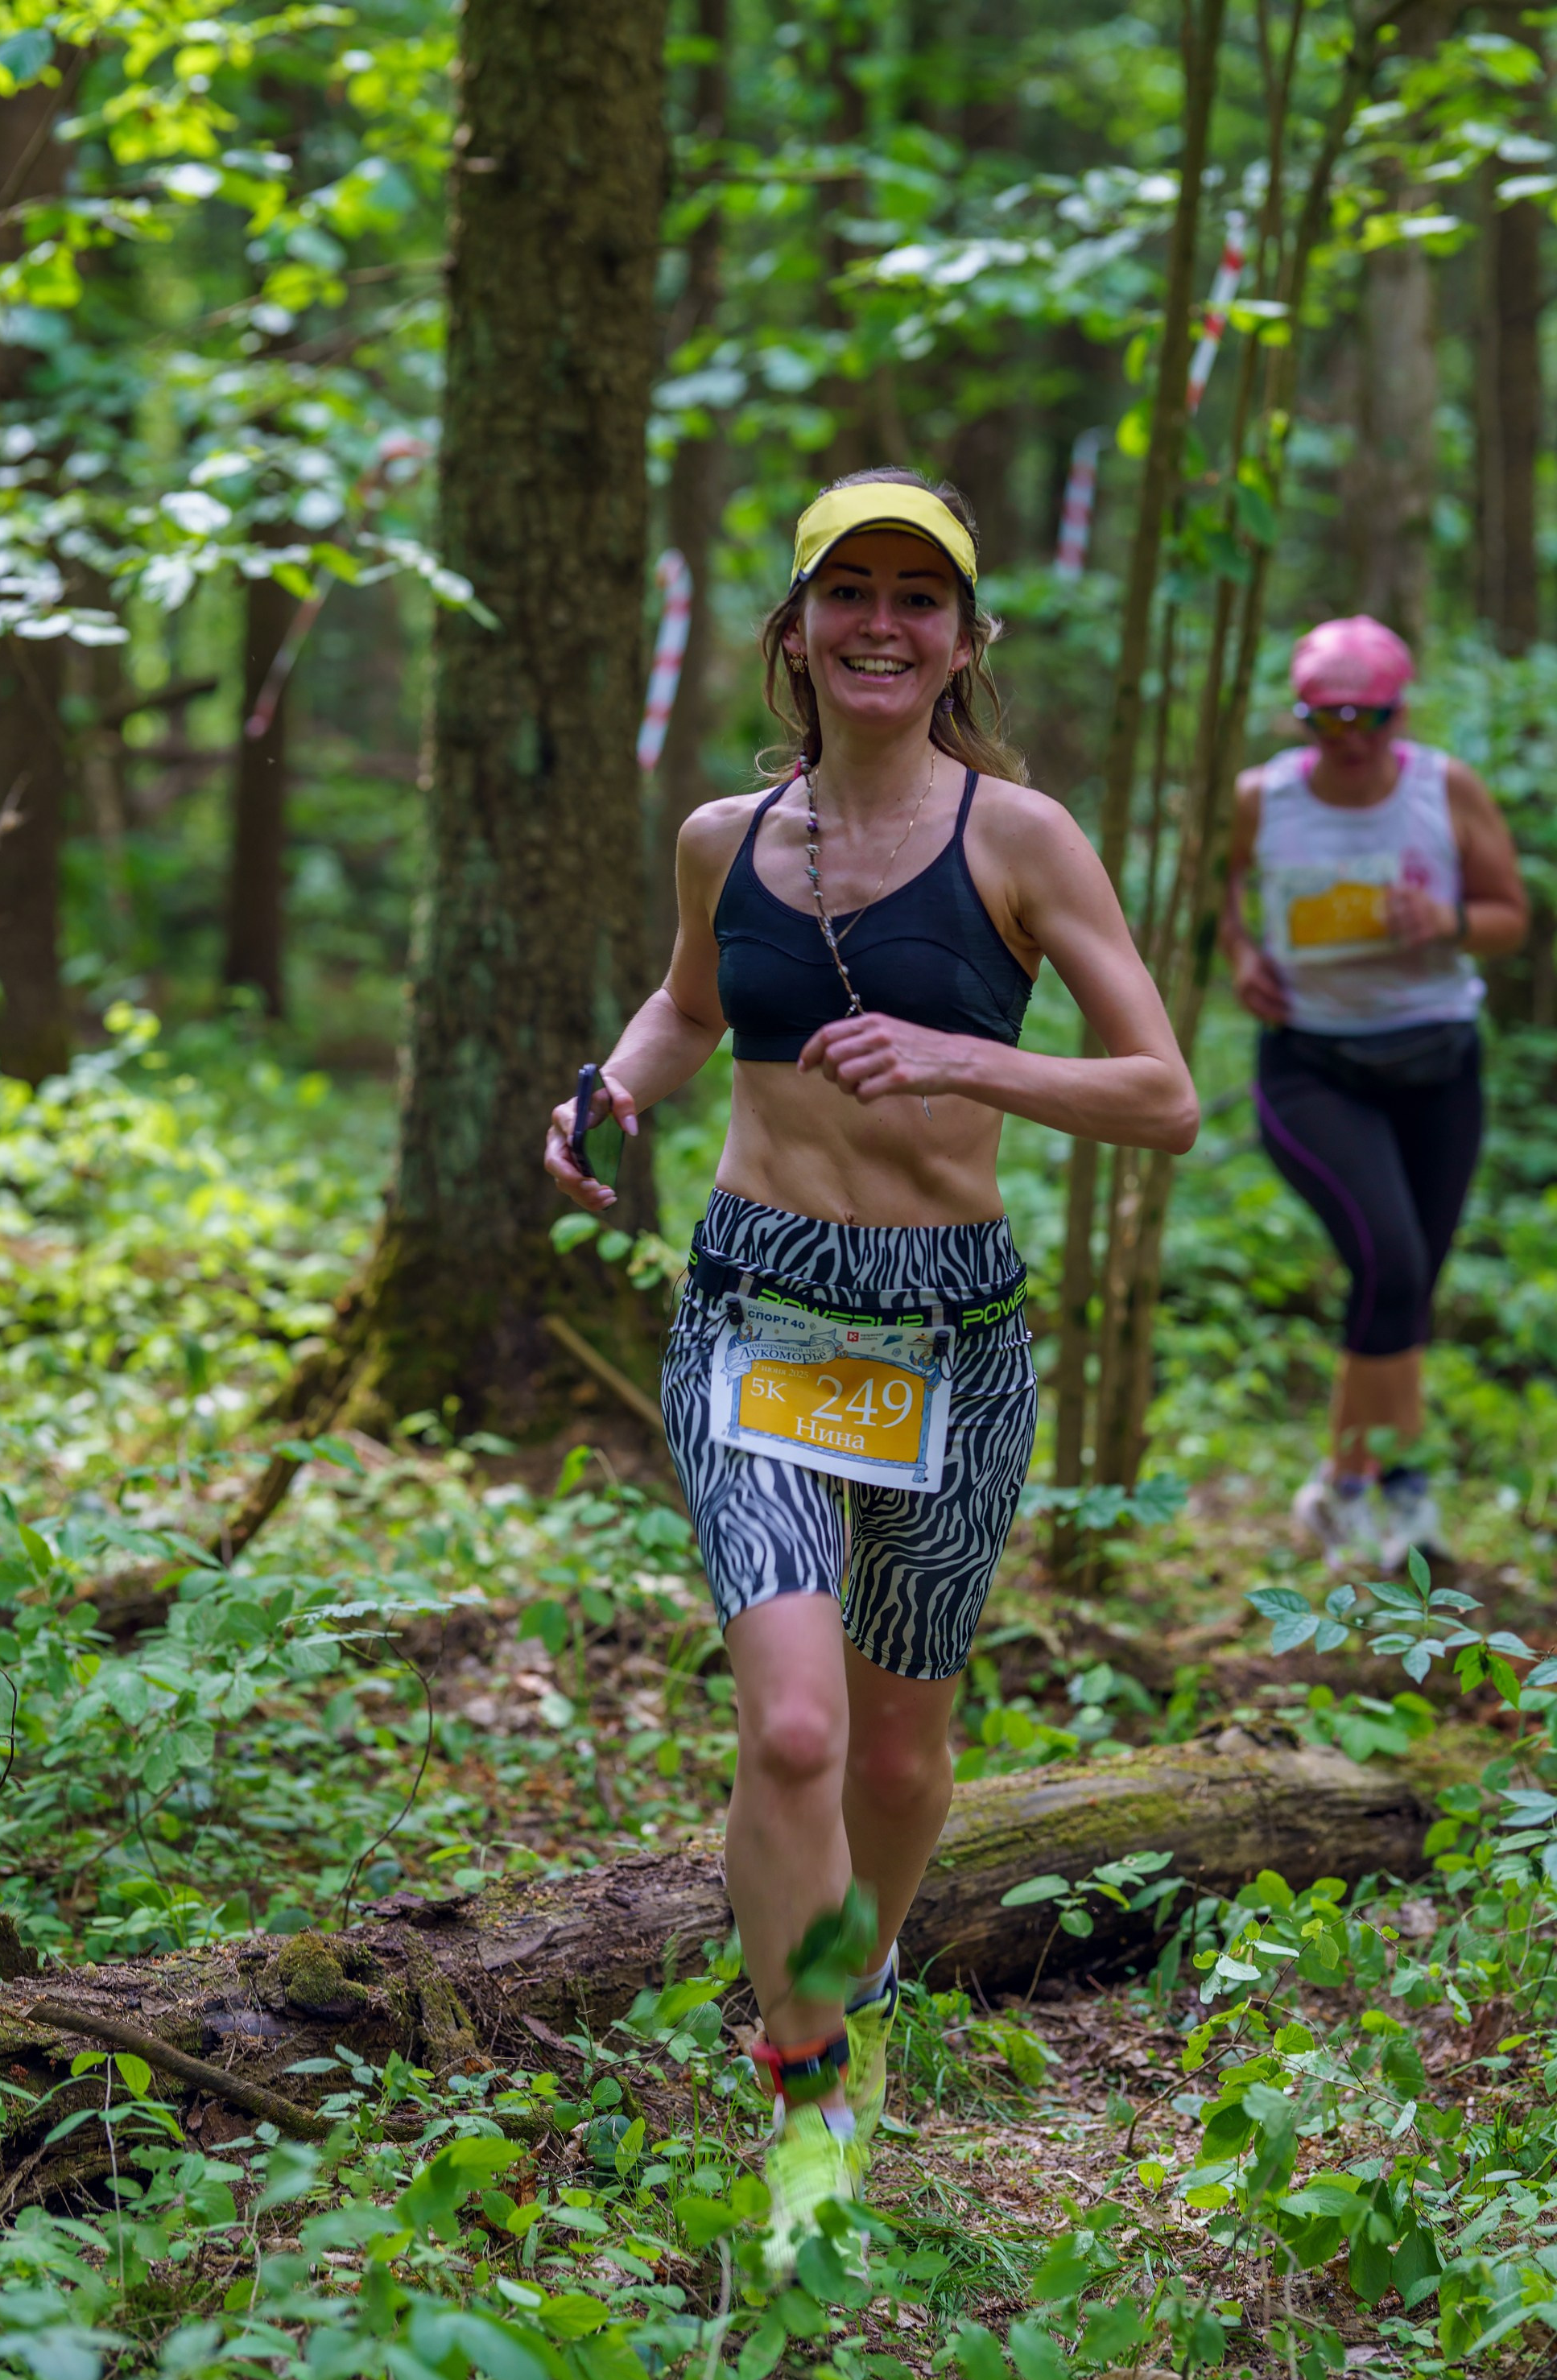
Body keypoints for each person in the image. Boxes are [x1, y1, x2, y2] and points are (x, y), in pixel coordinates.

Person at [545, 468, 1197, 2272]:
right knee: (801, 1725)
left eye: (922, 596)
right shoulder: (722, 834)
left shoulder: (1024, 840)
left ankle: (853, 1979)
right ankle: (809, 2085)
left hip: (950, 1335)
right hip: (759, 1301)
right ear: (798, 630)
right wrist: (612, 1083)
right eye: (852, 592)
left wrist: (966, 1059)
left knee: (903, 1763)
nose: (884, 624)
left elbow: (1163, 1097)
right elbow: (692, 1002)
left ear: (965, 638)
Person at [1222, 615, 1527, 1571]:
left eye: (1371, 716)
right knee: (1390, 1267)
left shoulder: (1443, 789)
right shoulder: (1260, 797)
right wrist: (1240, 956)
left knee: (1400, 1289)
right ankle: (1400, 1493)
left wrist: (1443, 919)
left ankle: (1340, 1487)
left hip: (1436, 1064)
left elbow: (1508, 918)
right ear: (1300, 717)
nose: (1349, 737)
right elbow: (1222, 889)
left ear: (1399, 713)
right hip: (1313, 1065)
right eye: (1327, 718)